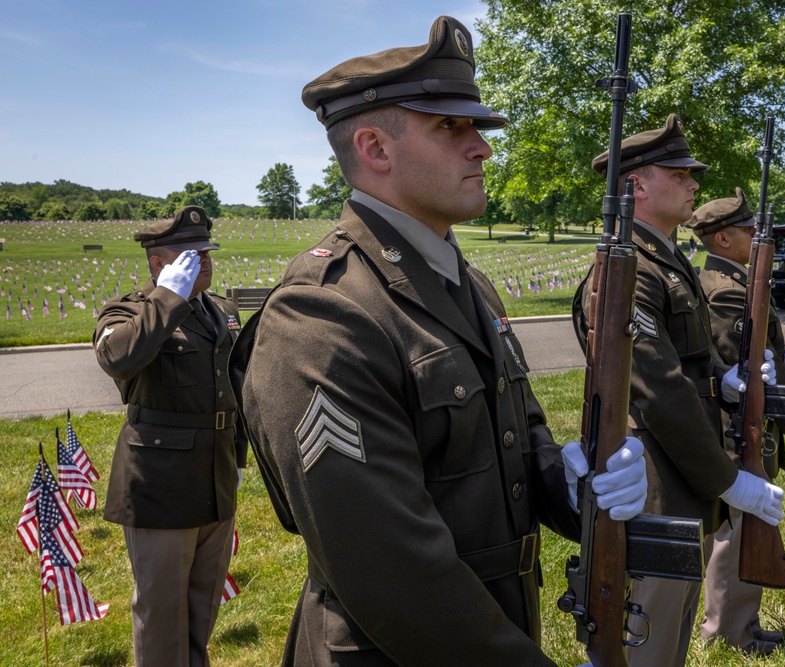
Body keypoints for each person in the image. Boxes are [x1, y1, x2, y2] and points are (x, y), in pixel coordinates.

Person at [228, 16, 647, 667]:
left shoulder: (472, 287)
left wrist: (573, 481)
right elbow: (391, 570)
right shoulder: (321, 314)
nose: (482, 147)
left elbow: (518, 435)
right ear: (375, 147)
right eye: (451, 127)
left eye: (474, 126)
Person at [572, 115, 784, 666]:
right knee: (648, 639)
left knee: (672, 637)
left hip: (680, 476)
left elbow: (692, 361)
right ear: (636, 185)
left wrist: (729, 378)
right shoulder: (630, 270)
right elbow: (659, 390)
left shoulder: (665, 261)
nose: (694, 183)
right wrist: (727, 479)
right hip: (654, 480)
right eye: (681, 173)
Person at [689, 189, 785, 654]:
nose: (762, 238)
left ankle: (744, 624)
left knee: (746, 527)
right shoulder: (726, 293)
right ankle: (727, 631)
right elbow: (746, 377)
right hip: (737, 430)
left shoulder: (736, 283)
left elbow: (766, 357)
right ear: (722, 239)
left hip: (748, 428)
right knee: (736, 533)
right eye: (747, 231)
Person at [94, 205, 247, 667]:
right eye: (191, 253)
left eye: (207, 251)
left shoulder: (220, 309)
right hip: (160, 485)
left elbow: (231, 390)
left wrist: (236, 462)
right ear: (160, 262)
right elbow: (118, 358)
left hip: (215, 479)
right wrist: (167, 298)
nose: (204, 260)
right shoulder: (128, 311)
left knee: (203, 608)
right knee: (162, 615)